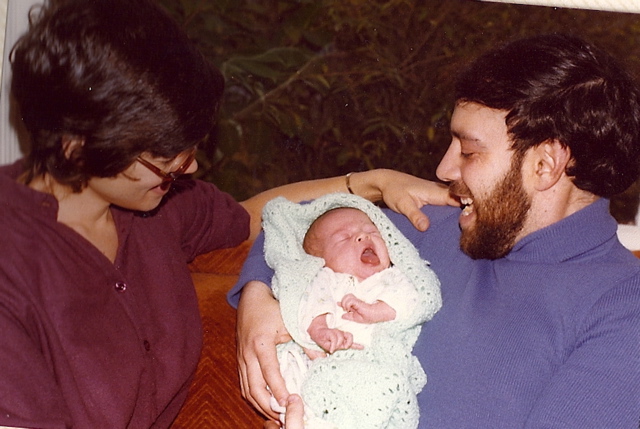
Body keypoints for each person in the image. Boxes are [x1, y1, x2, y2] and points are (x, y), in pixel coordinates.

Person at [0, 0, 449, 427]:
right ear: (77, 147)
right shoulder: (12, 269)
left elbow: (257, 215)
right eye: (167, 157)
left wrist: (370, 184)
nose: (190, 167)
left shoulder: (156, 208)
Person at [231, 33, 640, 428]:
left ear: (546, 165)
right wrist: (258, 298)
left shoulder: (623, 310)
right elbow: (292, 224)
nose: (444, 169)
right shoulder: (431, 231)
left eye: (469, 151)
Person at [261, 194, 441, 428]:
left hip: (370, 361)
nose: (363, 236)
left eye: (372, 232)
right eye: (344, 238)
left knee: (380, 391)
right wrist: (320, 329)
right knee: (289, 370)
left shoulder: (393, 277)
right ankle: (306, 419)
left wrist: (377, 310)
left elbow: (412, 301)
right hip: (320, 360)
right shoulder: (326, 278)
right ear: (320, 260)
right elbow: (312, 302)